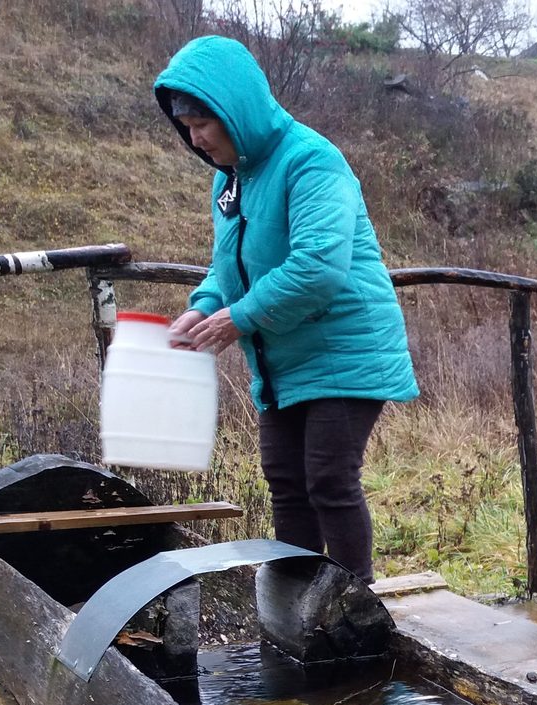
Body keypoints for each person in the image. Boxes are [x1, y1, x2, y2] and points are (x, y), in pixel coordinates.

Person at [155, 36, 417, 586]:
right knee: (285, 481)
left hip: (346, 346)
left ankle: (355, 604)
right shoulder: (230, 180)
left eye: (204, 122)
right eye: (187, 127)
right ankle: (298, 607)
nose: (196, 138)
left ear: (237, 109)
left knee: (328, 479)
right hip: (285, 355)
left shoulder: (312, 161)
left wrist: (239, 318)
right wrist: (204, 306)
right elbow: (231, 264)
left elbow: (319, 266)